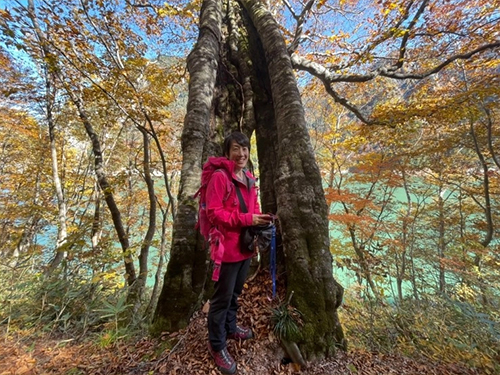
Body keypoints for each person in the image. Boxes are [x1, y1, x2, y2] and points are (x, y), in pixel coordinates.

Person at [205, 132, 272, 374]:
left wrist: (260, 219)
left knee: (235, 294)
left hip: (245, 248)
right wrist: (247, 218)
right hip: (226, 250)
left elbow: (253, 206)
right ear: (227, 152)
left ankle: (231, 327)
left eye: (245, 149)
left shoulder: (249, 178)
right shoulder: (220, 179)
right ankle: (217, 345)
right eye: (236, 149)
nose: (241, 154)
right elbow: (214, 213)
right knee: (221, 299)